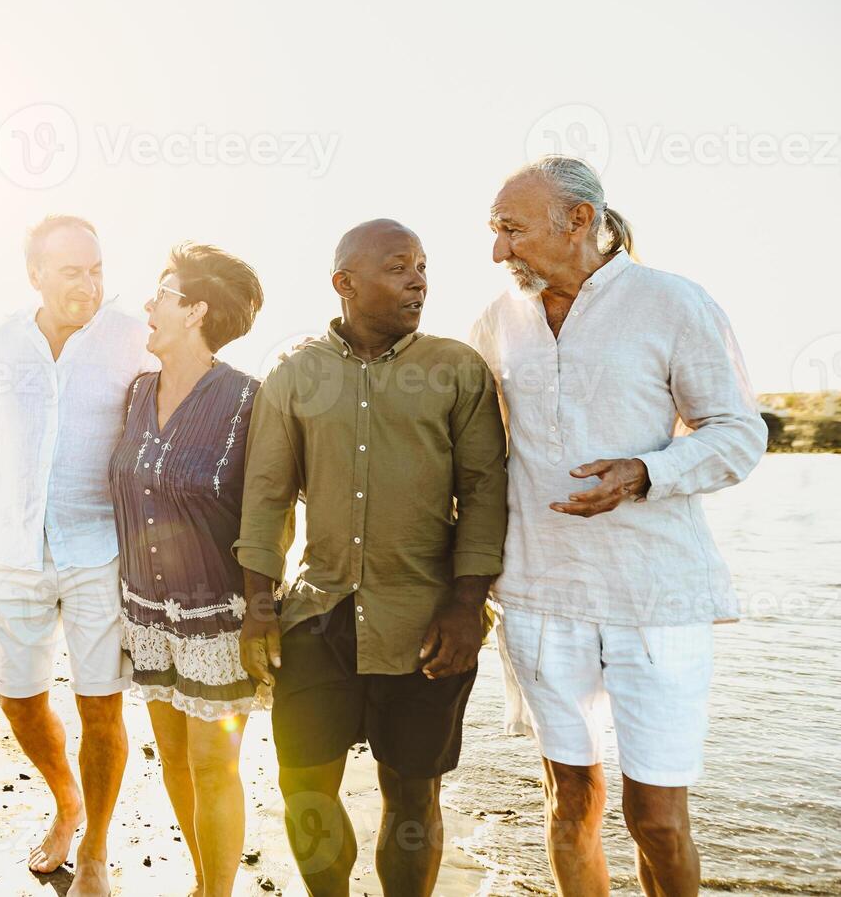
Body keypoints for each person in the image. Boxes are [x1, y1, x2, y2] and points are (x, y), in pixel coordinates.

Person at [473, 156, 767, 897]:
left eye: (510, 229)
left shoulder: (672, 302)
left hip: (655, 601)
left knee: (657, 819)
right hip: (537, 597)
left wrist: (643, 472)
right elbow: (474, 454)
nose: (497, 251)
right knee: (568, 803)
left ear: (579, 220)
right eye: (493, 231)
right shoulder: (495, 321)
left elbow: (737, 433)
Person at [237, 219, 508, 897]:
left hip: (426, 625)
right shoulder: (293, 373)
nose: (418, 279)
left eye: (421, 266)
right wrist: (259, 607)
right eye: (398, 267)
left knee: (413, 798)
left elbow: (483, 493)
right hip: (316, 618)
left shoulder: (455, 369)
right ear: (345, 284)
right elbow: (267, 495)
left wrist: (465, 606)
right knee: (304, 793)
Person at [0, 215, 156, 896]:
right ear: (36, 275)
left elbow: (166, 420)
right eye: (72, 270)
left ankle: (97, 847)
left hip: (99, 549)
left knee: (100, 704)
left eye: (96, 267)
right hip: (14, 543)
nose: (89, 282)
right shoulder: (7, 338)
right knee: (17, 697)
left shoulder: (132, 333)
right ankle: (66, 800)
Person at [109, 243, 266, 897]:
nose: (148, 304)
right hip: (144, 611)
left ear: (196, 310)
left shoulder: (248, 401)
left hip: (217, 620)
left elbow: (271, 511)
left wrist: (266, 610)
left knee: (212, 765)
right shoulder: (135, 393)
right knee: (171, 758)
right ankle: (203, 882)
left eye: (162, 293)